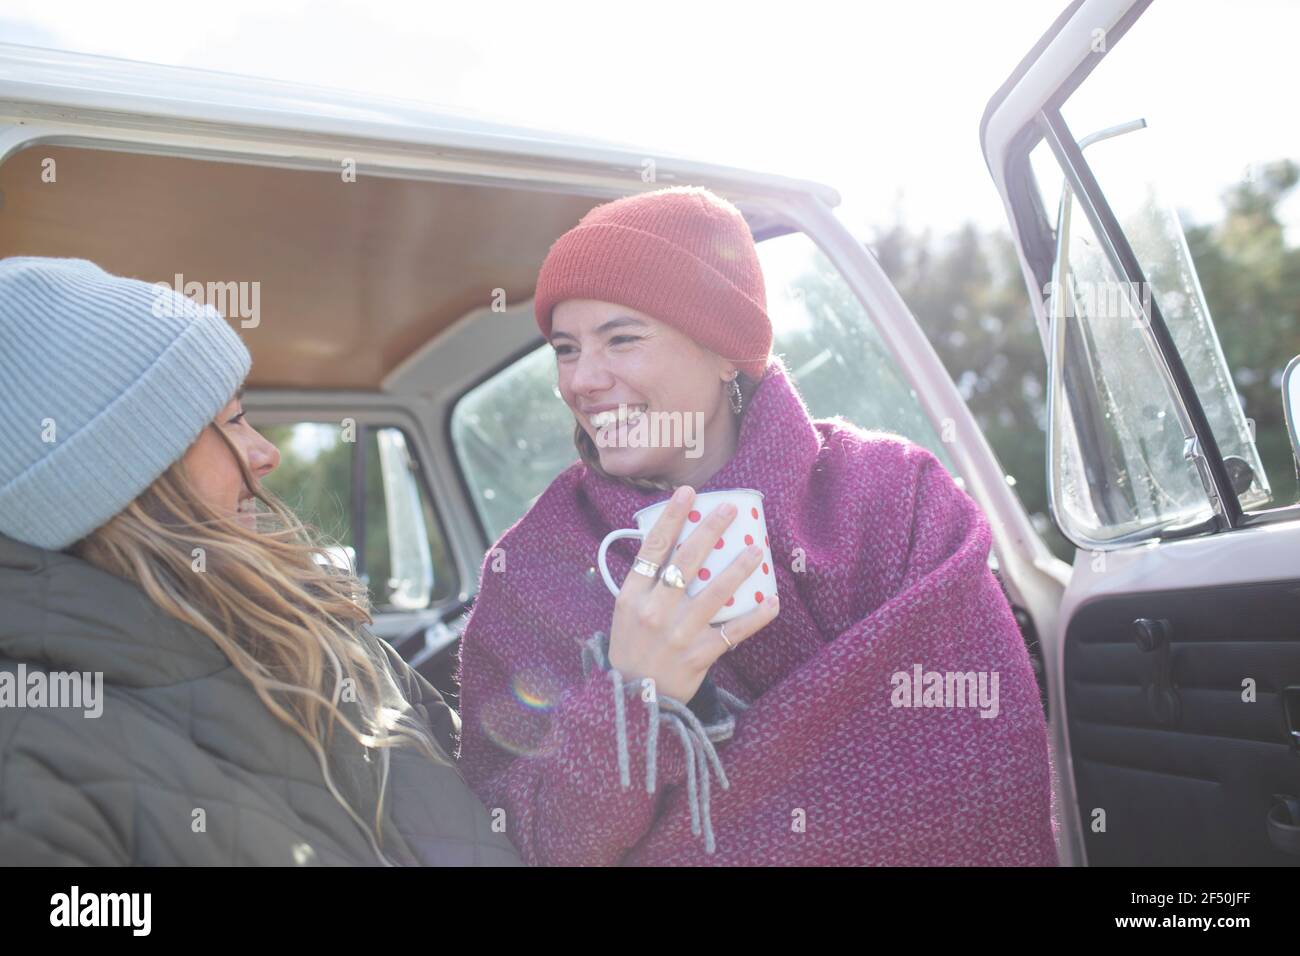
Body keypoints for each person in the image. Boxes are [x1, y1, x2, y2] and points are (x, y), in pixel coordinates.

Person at [455, 185, 1059, 865]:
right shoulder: (531, 570)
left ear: (724, 352)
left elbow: (980, 780)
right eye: (566, 349)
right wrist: (629, 700)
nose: (582, 380)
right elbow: (505, 837)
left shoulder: (896, 497)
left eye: (621, 339)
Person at [0, 257, 521, 866]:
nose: (266, 453)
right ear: (123, 478)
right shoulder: (30, 772)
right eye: (233, 421)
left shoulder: (324, 632)